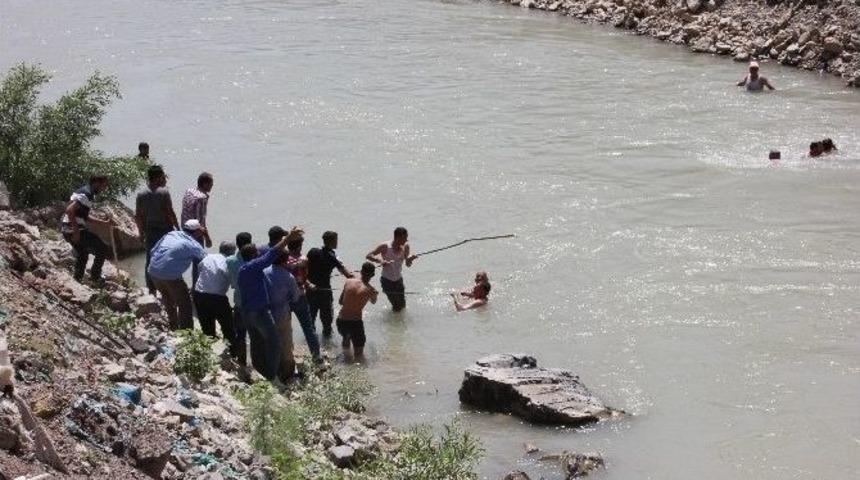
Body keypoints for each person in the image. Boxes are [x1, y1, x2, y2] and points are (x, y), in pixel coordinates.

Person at [238, 226, 303, 382]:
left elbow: (270, 254)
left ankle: (260, 372)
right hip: (259, 312)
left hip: (247, 312)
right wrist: (289, 237)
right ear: (253, 256)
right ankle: (272, 377)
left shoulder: (243, 269)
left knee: (257, 343)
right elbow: (272, 253)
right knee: (275, 343)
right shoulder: (253, 267)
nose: (260, 255)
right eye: (257, 254)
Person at [148, 220, 208, 330]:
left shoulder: (171, 234)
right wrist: (206, 235)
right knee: (185, 304)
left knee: (167, 299)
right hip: (170, 277)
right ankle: (186, 332)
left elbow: (153, 251)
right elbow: (206, 260)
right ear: (198, 232)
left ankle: (173, 326)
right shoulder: (192, 244)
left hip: (153, 271)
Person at [60, 175, 115, 284]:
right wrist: (76, 232)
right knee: (103, 248)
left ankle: (77, 279)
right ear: (96, 183)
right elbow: (69, 210)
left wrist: (103, 223)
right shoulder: (87, 194)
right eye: (103, 185)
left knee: (83, 254)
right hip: (73, 229)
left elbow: (83, 216)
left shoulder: (85, 192)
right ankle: (95, 277)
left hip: (67, 228)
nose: (104, 188)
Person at [136, 165, 179, 295]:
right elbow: (170, 212)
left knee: (150, 259)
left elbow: (139, 216)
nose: (164, 178)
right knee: (168, 258)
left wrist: (141, 233)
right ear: (158, 177)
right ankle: (168, 286)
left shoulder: (141, 194)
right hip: (165, 230)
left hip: (150, 230)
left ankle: (151, 289)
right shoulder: (163, 192)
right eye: (162, 176)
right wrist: (177, 228)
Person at [193, 241, 239, 360]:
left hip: (199, 294)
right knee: (228, 327)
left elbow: (199, 269)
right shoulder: (228, 263)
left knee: (207, 326)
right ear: (232, 252)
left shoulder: (208, 257)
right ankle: (233, 355)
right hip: (217, 298)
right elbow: (234, 284)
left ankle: (208, 354)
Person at [307, 231, 353, 337]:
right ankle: (327, 342)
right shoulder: (332, 256)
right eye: (336, 240)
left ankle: (311, 341)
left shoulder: (313, 251)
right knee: (327, 322)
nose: (337, 242)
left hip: (310, 290)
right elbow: (347, 274)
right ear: (332, 241)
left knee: (310, 319)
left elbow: (304, 267)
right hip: (324, 292)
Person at [285, 235, 323, 362]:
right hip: (300, 297)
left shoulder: (282, 259)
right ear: (299, 247)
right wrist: (308, 284)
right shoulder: (303, 259)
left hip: (285, 298)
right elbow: (303, 277)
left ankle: (288, 353)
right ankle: (316, 356)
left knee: (286, 327)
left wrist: (307, 283)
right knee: (308, 328)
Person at [264, 250, 300, 381]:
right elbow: (295, 297)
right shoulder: (288, 277)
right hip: (282, 313)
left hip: (266, 313)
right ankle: (287, 374)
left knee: (269, 342)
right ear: (285, 261)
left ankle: (271, 371)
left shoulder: (264, 272)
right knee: (285, 342)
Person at [366, 227, 417, 312]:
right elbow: (369, 255)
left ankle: (397, 320)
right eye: (405, 238)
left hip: (399, 280)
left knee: (402, 305)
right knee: (396, 306)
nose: (406, 240)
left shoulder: (406, 247)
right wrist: (381, 261)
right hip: (387, 281)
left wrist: (410, 259)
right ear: (397, 237)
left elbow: (407, 264)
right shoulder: (385, 246)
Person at [337, 262, 378, 359]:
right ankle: (356, 366)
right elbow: (373, 302)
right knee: (359, 355)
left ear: (361, 271)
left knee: (346, 338)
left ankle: (346, 359)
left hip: (341, 320)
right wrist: (375, 294)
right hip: (355, 323)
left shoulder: (348, 281)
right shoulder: (371, 290)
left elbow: (340, 302)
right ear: (373, 275)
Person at [182, 172, 214, 285]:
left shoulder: (189, 191)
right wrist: (207, 238)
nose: (212, 186)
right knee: (198, 262)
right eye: (211, 184)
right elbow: (200, 221)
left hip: (185, 230)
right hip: (195, 234)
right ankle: (196, 288)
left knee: (184, 259)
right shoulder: (202, 198)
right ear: (205, 184)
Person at [226, 232, 253, 368]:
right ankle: (258, 365)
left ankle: (242, 362)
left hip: (239, 302)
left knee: (241, 334)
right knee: (257, 336)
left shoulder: (230, 261)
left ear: (237, 245)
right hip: (255, 304)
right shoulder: (255, 262)